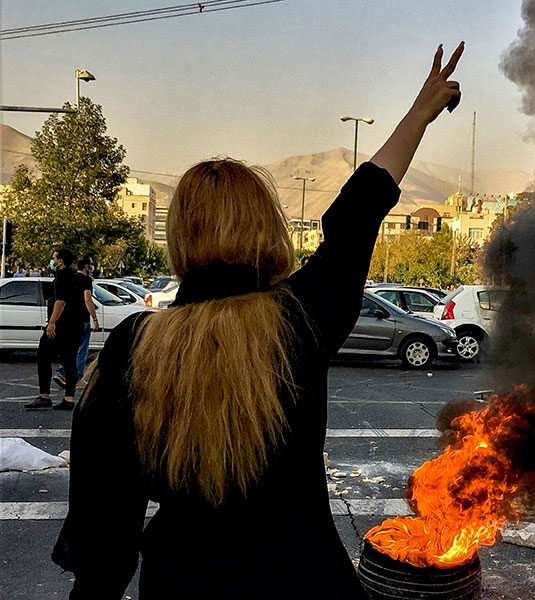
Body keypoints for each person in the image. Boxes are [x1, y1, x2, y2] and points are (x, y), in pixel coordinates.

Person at [53, 42, 464, 599]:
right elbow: (357, 213)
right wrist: (421, 112)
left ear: (179, 237)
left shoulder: (132, 347)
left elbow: (104, 536)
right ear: (266, 227)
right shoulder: (300, 316)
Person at [25, 249, 86, 410]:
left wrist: (52, 323)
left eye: (54, 258)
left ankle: (44, 396)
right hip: (75, 326)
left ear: (60, 261)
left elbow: (61, 302)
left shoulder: (62, 278)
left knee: (43, 355)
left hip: (62, 326)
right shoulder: (74, 276)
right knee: (69, 361)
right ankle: (68, 398)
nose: (51, 261)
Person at [53, 258, 100, 389]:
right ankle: (76, 378)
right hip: (82, 319)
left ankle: (62, 371)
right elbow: (87, 299)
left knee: (72, 348)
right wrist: (94, 318)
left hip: (70, 317)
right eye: (90, 265)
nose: (91, 267)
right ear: (86, 266)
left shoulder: (72, 278)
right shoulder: (86, 280)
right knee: (82, 349)